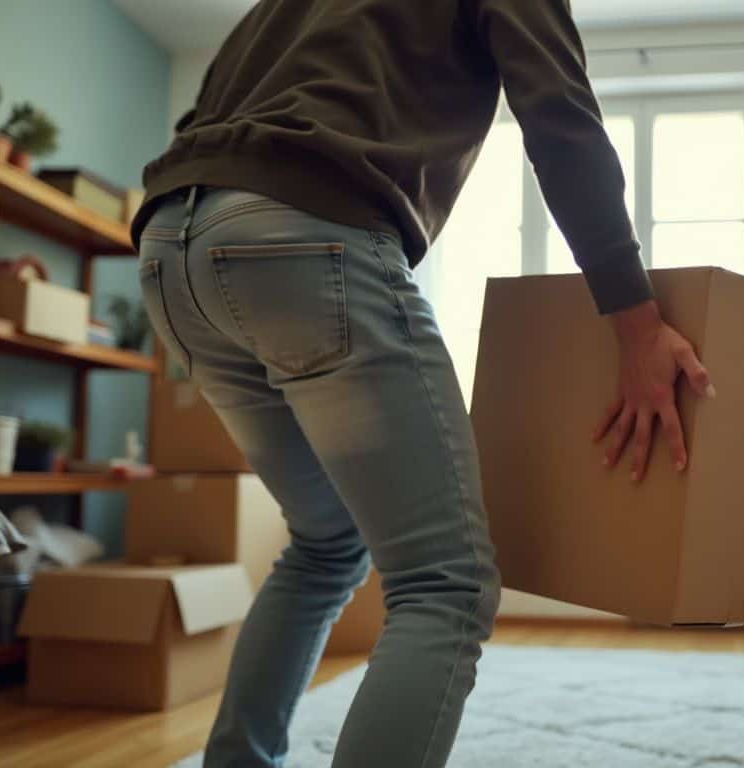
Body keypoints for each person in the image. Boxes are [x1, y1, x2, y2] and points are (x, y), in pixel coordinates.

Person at [131, 1, 712, 765]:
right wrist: (637, 325)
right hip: (304, 236)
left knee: (325, 541)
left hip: (172, 253)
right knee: (446, 581)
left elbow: (209, 100)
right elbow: (558, 114)